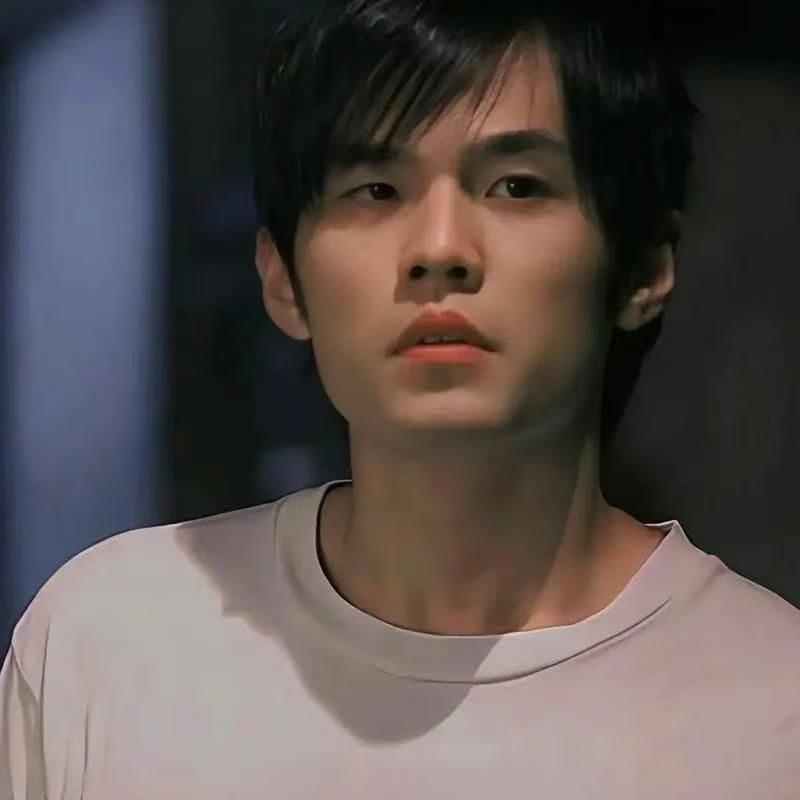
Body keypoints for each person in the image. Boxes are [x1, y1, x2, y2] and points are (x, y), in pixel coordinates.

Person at [2, 1, 799, 797]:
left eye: (516, 186)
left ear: (643, 268)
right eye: (376, 190)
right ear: (282, 279)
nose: (440, 249)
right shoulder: (110, 643)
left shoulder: (771, 710)